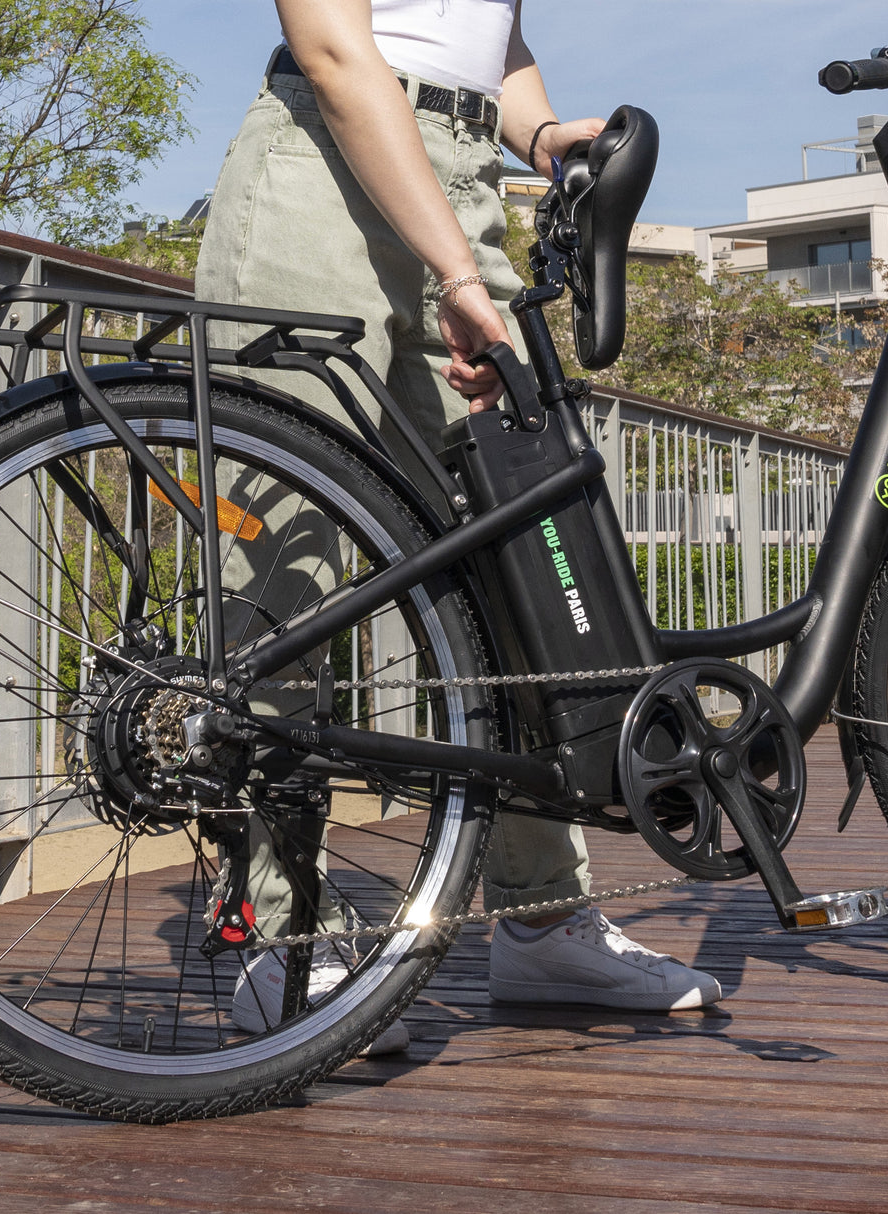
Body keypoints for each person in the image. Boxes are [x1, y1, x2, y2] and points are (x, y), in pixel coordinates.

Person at [195, 0, 722, 1050]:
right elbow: (341, 49)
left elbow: (485, 34)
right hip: (319, 168)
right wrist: (457, 272)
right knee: (284, 575)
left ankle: (540, 917)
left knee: (518, 572)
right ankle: (282, 925)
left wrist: (533, 132)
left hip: (460, 176)